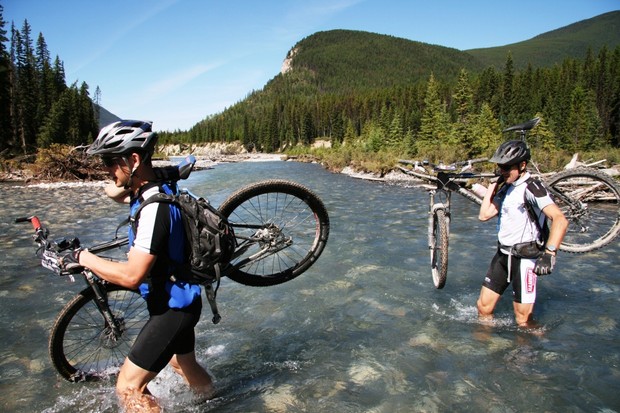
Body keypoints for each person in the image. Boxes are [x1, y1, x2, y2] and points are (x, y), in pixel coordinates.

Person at [56, 120, 215, 412]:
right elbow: (113, 192)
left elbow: (132, 276)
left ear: (133, 159)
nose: (106, 169)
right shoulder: (151, 185)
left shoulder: (155, 207)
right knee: (183, 365)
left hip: (173, 309)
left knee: (129, 387)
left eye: (110, 162)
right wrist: (155, 171)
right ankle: (214, 401)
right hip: (180, 299)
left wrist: (83, 257)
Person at [477, 140, 568, 328]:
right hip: (503, 256)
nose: (502, 170)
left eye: (506, 167)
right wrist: (494, 184)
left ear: (522, 165)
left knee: (523, 320)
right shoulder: (507, 187)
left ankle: (530, 353)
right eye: (499, 166)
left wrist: (550, 254)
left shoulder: (533, 188)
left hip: (525, 259)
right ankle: (485, 348)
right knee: (483, 308)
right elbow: (484, 214)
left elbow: (560, 219)